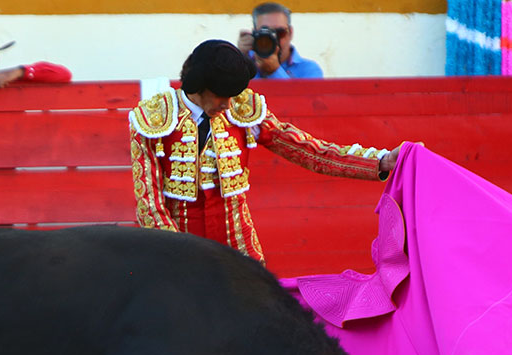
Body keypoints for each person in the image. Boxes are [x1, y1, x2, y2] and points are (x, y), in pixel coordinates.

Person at [129, 39, 400, 263]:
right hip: (178, 248)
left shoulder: (244, 111)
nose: (228, 104)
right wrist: (178, 260)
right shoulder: (153, 120)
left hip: (239, 250)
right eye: (222, 94)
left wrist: (380, 160)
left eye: (233, 95)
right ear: (199, 86)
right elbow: (150, 206)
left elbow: (309, 151)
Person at [236, 2, 323, 79]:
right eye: (265, 32)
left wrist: (275, 71)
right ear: (254, 33)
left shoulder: (309, 70)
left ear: (290, 33)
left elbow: (301, 94)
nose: (274, 38)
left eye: (280, 32)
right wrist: (239, 58)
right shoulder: (244, 64)